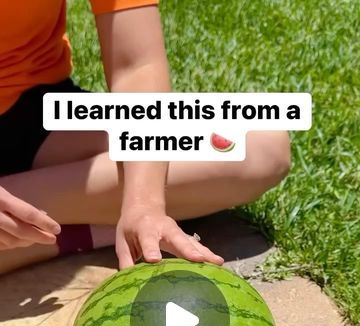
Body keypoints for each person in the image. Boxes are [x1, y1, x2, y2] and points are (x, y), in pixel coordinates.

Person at [0, 0, 290, 275]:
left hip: (33, 108)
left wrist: (144, 203)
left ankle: (28, 227)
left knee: (259, 145)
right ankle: (40, 234)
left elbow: (136, 66)